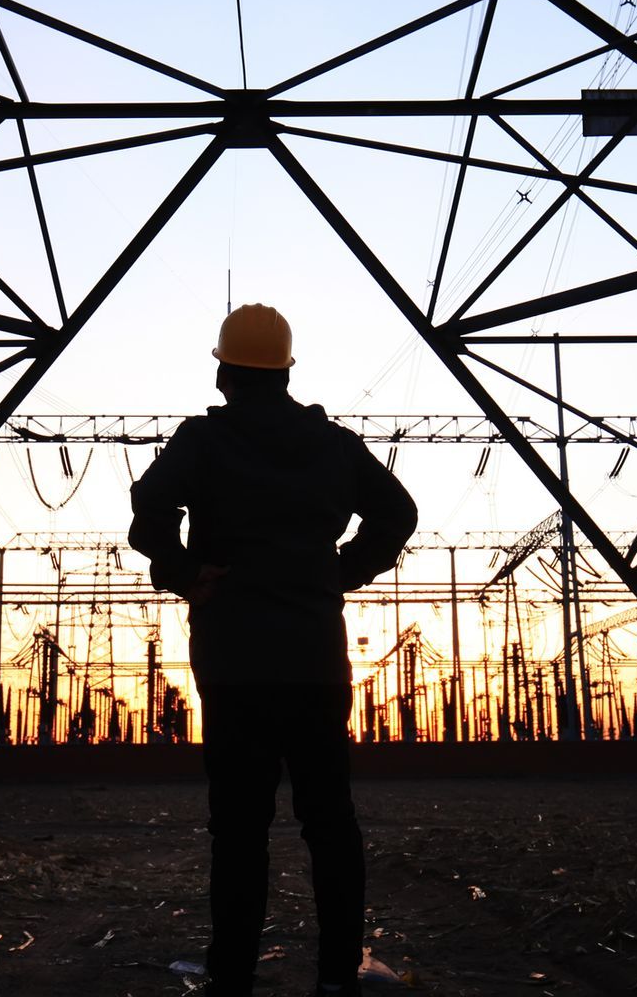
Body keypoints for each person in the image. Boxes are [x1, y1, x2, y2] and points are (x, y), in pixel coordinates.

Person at [129, 303, 418, 997]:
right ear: (288, 371)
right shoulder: (334, 446)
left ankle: (231, 977)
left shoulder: (203, 441)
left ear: (225, 371)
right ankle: (338, 975)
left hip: (233, 662)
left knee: (238, 827)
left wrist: (181, 571)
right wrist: (340, 572)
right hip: (315, 658)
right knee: (330, 820)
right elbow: (397, 513)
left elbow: (149, 512)